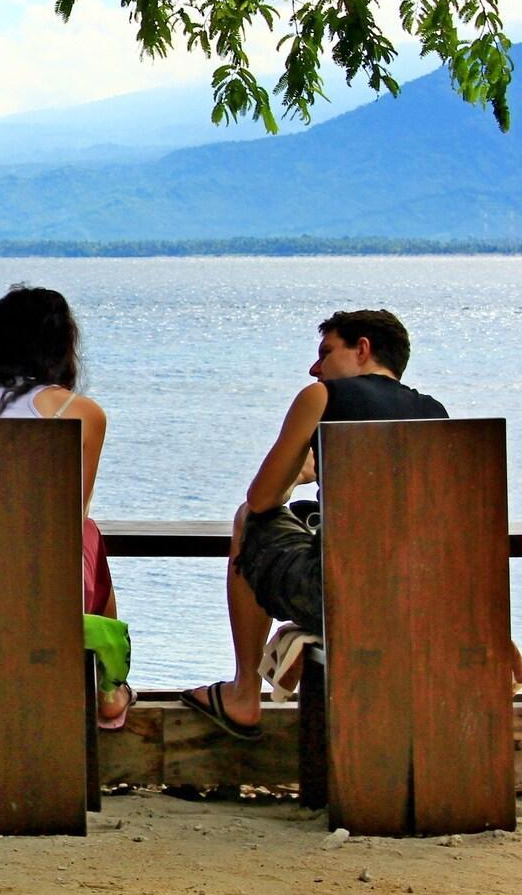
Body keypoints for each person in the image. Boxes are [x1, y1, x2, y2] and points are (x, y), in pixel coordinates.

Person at [180, 309, 446, 741]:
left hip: (341, 596)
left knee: (249, 519)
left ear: (362, 349)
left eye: (326, 352)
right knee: (307, 519)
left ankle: (244, 692)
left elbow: (262, 498)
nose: (315, 367)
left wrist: (299, 476)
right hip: (424, 596)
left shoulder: (323, 397)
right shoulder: (435, 413)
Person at [0, 286, 132, 727]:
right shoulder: (84, 413)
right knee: (89, 535)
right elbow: (76, 511)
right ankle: (110, 686)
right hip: (46, 581)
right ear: (62, 344)